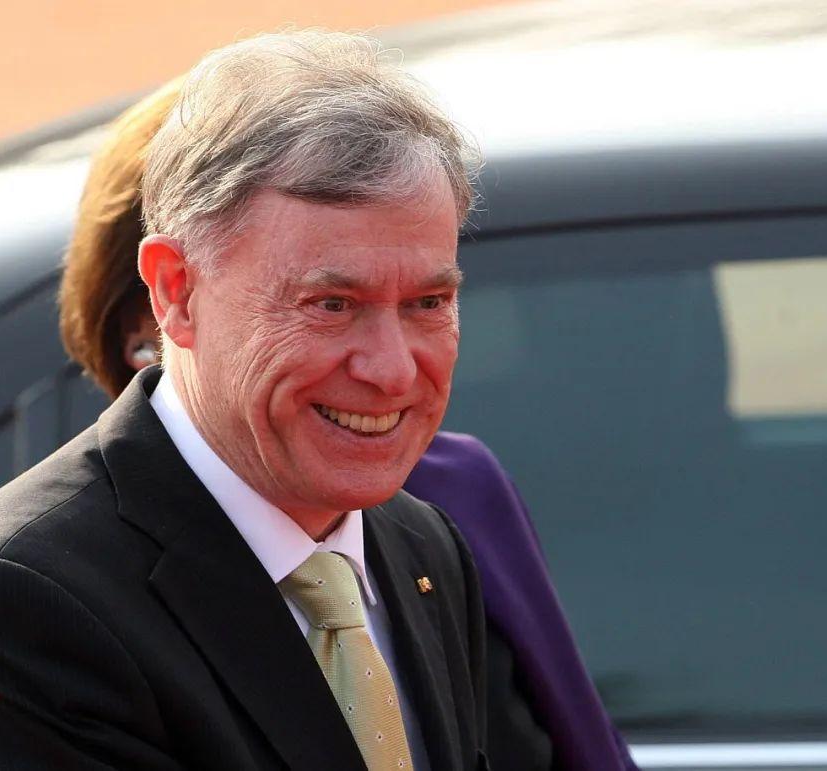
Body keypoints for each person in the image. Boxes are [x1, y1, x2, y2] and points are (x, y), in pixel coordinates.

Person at [60, 72, 636, 771]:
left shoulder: (430, 534)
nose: (389, 371)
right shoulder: (36, 601)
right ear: (174, 297)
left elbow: (580, 743)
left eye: (428, 301)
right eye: (330, 303)